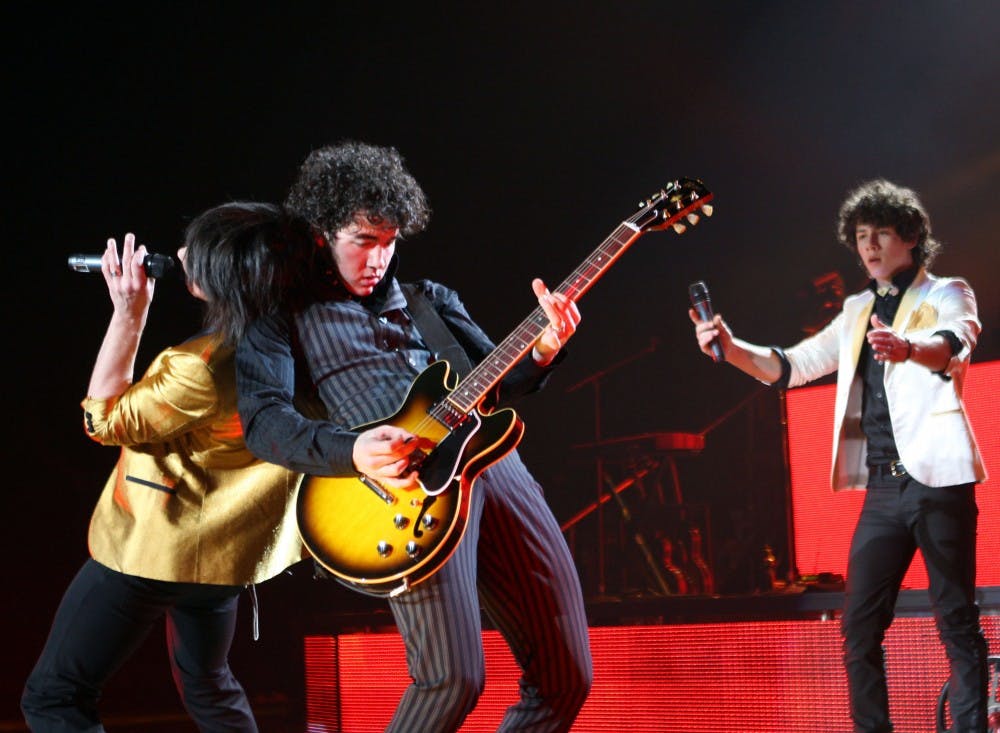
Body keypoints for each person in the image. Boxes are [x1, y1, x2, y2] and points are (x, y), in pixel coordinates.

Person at [235, 140, 593, 732]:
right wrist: (351, 450)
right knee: (451, 680)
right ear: (322, 234)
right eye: (363, 241)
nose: (378, 258)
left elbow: (497, 381)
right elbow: (264, 424)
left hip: (495, 468)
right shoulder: (282, 317)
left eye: (389, 240)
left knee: (566, 679)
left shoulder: (430, 301)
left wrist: (545, 349)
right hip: (406, 491)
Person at [689, 178, 989, 732]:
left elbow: (956, 342)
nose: (868, 245)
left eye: (880, 233)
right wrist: (730, 348)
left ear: (912, 236)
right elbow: (791, 365)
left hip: (938, 484)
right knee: (858, 626)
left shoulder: (947, 291)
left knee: (955, 619)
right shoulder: (856, 310)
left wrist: (906, 349)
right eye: (860, 236)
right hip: (882, 490)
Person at [21, 202, 324, 732]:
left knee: (54, 697)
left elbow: (103, 420)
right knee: (210, 685)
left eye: (197, 252)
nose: (182, 253)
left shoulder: (202, 366)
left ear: (225, 279)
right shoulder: (314, 340)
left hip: (153, 551)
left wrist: (129, 311)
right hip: (229, 559)